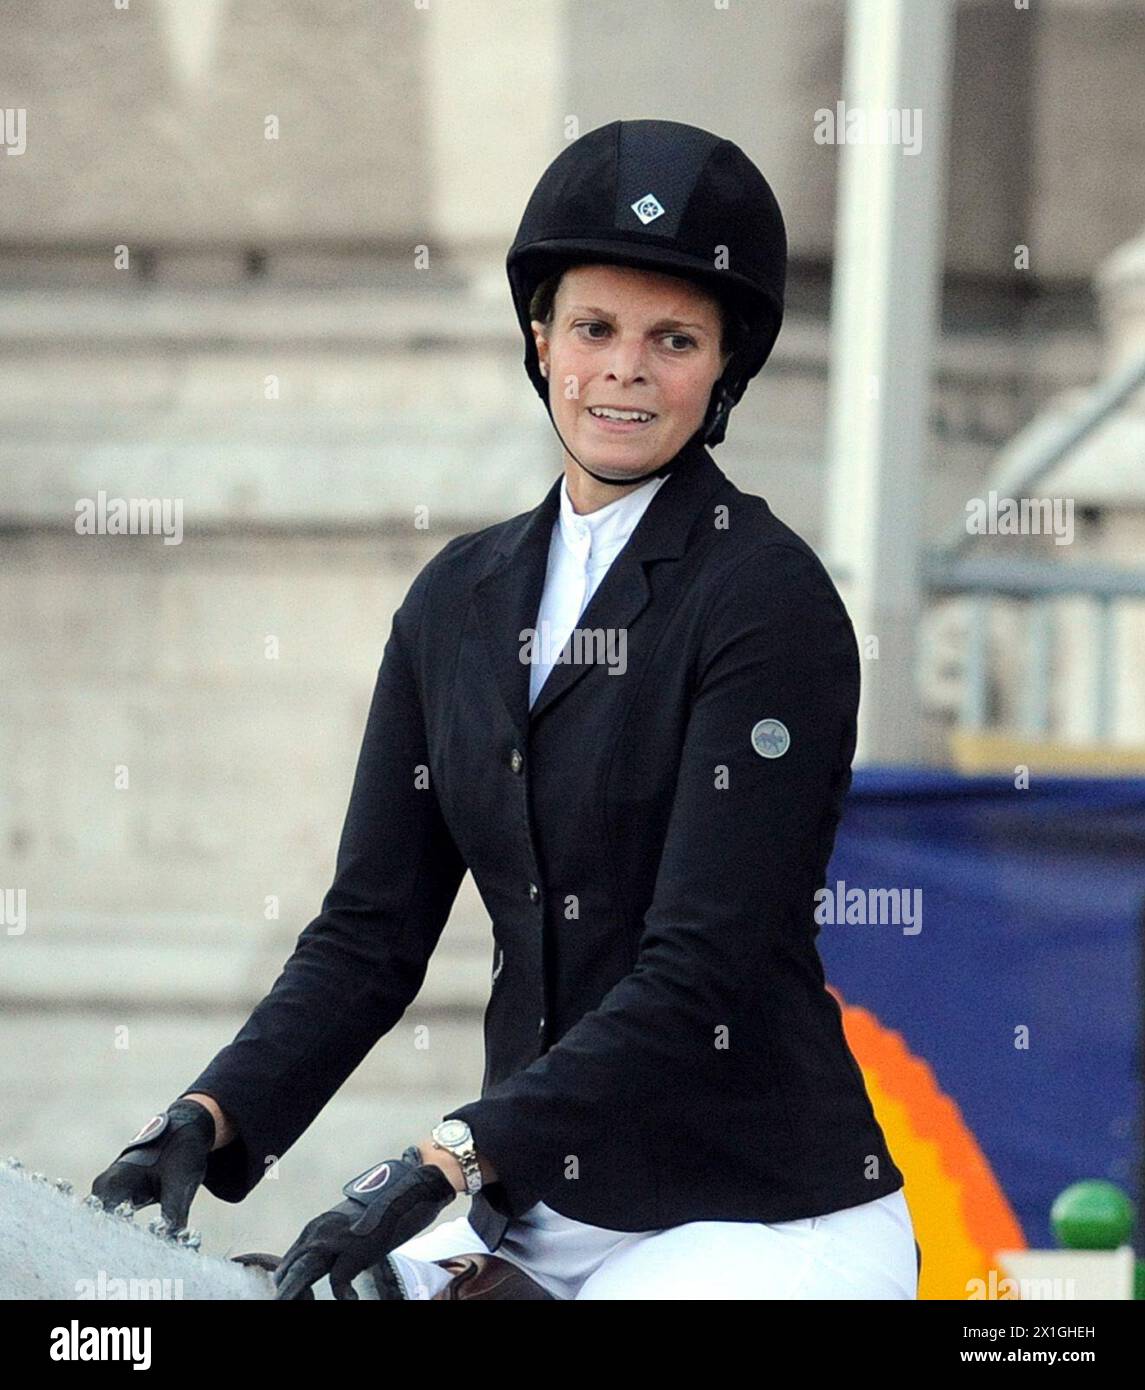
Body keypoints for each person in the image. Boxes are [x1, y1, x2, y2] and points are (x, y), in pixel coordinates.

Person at [91, 118, 920, 1300]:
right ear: (541, 341)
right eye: (593, 329)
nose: (624, 369)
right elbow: (369, 933)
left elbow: (697, 968)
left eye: (671, 338)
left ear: (723, 367)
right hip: (528, 1200)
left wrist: (451, 1153)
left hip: (755, 1220)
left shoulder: (767, 603)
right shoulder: (456, 601)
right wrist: (212, 1116)